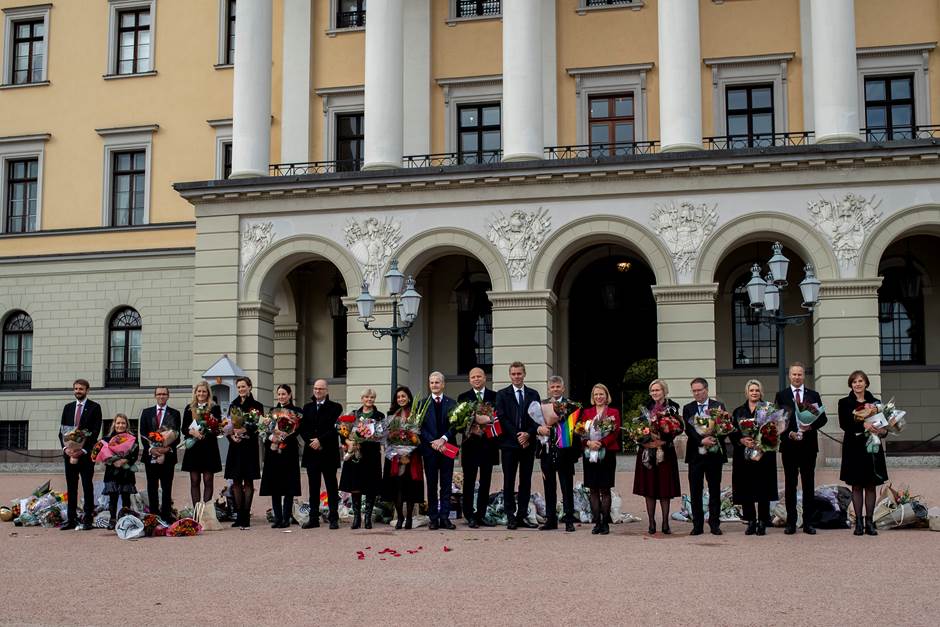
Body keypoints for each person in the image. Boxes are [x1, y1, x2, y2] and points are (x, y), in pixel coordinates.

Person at [775, 362, 828, 535]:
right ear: (789, 376)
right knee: (790, 485)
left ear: (804, 376)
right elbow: (778, 422)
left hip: (808, 446)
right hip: (790, 446)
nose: (797, 377)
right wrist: (788, 434)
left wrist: (810, 427)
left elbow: (822, 419)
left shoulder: (813, 395)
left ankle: (808, 523)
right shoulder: (782, 395)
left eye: (800, 374)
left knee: (808, 485)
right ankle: (791, 522)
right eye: (794, 374)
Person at [838, 370, 887, 536]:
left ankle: (869, 522)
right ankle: (858, 522)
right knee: (857, 485)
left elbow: (884, 426)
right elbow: (844, 424)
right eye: (854, 382)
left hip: (872, 448)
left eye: (860, 381)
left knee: (871, 485)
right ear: (851, 385)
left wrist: (883, 430)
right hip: (854, 448)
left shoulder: (876, 403)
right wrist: (863, 426)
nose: (857, 384)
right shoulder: (844, 403)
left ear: (866, 383)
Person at [495, 361, 541, 530]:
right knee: (509, 481)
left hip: (528, 444)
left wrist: (528, 433)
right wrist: (517, 435)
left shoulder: (533, 394)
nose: (516, 376)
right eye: (513, 374)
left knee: (525, 481)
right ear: (510, 375)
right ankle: (510, 515)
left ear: (524, 374)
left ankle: (522, 515)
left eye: (519, 373)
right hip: (509, 444)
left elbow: (537, 418)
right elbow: (502, 418)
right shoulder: (502, 394)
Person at [633, 378, 681, 535]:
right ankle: (652, 522)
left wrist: (662, 440)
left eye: (657, 390)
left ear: (664, 391)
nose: (654, 393)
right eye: (652, 390)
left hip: (665, 451)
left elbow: (678, 428)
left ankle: (666, 522)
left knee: (665, 488)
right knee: (649, 488)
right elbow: (637, 429)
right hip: (647, 451)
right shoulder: (644, 408)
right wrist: (644, 441)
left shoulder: (673, 407)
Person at [730, 380, 778, 536]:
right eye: (751, 390)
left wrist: (762, 441)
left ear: (761, 392)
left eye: (757, 390)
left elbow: (775, 430)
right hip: (744, 457)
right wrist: (742, 440)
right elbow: (732, 432)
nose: (754, 393)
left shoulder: (769, 409)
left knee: (763, 488)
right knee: (746, 488)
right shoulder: (738, 412)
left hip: (764, 456)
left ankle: (763, 521)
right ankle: (751, 521)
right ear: (747, 392)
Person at [682, 377, 728, 536]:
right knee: (695, 491)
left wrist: (713, 439)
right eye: (694, 391)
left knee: (714, 490)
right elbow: (689, 430)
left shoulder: (718, 406)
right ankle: (697, 525)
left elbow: (724, 427)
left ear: (706, 390)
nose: (696, 393)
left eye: (699, 390)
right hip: (695, 455)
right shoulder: (688, 408)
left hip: (714, 455)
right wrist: (702, 440)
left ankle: (715, 524)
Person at [456, 367, 498, 529]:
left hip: (488, 445)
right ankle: (469, 514)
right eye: (473, 377)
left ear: (484, 378)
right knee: (469, 482)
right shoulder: (463, 398)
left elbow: (498, 418)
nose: (476, 379)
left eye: (479, 376)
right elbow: (457, 423)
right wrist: (469, 427)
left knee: (486, 481)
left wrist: (487, 421)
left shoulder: (494, 397)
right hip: (470, 445)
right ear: (469, 379)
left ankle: (481, 514)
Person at [536, 375, 579, 532]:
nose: (555, 389)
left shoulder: (571, 406)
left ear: (563, 388)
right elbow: (536, 424)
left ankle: (569, 519)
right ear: (549, 388)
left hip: (565, 451)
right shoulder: (542, 405)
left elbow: (576, 429)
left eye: (558, 387)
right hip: (547, 450)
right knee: (549, 486)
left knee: (566, 486)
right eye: (552, 387)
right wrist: (539, 429)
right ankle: (551, 520)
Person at [339, 388, 385, 530]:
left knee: (370, 487)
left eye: (372, 397)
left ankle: (368, 518)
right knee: (355, 487)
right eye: (366, 397)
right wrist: (349, 442)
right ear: (362, 399)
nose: (369, 399)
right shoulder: (353, 415)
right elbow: (343, 433)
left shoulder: (379, 416)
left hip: (371, 455)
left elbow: (382, 435)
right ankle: (357, 518)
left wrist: (374, 435)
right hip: (355, 455)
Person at [59, 379, 102, 530]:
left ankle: (88, 519)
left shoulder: (94, 408)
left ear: (87, 390)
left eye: (81, 389)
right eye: (76, 389)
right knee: (71, 487)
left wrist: (82, 450)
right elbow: (62, 431)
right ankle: (71, 519)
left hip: (85, 455)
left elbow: (95, 432)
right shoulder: (68, 408)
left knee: (87, 486)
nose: (78, 391)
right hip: (69, 454)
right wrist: (67, 449)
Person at [300, 379, 343, 529]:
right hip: (311, 452)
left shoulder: (335, 407)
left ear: (327, 391)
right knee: (313, 486)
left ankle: (333, 517)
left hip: (328, 452)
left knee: (331, 485)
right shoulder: (307, 407)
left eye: (321, 389)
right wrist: (311, 441)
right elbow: (302, 428)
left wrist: (320, 441)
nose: (318, 391)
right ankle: (313, 518)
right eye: (316, 388)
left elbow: (335, 428)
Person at [579, 383, 621, 535]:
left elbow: (615, 432)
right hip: (590, 454)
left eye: (601, 394)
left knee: (605, 488)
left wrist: (601, 443)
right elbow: (580, 430)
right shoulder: (587, 412)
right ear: (593, 397)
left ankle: (605, 522)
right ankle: (596, 522)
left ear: (606, 395)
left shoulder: (613, 412)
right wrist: (588, 442)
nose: (598, 397)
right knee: (593, 489)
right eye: (596, 394)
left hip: (607, 453)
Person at [259, 384, 303, 529]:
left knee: (289, 485)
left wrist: (285, 436)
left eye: (284, 394)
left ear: (290, 395)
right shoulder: (272, 411)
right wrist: (273, 437)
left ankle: (286, 518)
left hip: (289, 451)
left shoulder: (297, 412)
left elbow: (297, 431)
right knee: (275, 485)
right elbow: (265, 430)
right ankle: (277, 518)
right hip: (274, 452)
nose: (281, 396)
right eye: (279, 394)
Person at [382, 386, 424, 529]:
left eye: (403, 396)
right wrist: (396, 450)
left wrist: (409, 451)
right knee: (397, 488)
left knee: (410, 487)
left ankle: (410, 519)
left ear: (409, 398)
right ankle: (400, 517)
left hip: (412, 457)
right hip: (395, 457)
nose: (401, 399)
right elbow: (387, 436)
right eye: (398, 397)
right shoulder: (392, 415)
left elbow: (418, 436)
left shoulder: (416, 414)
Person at [420, 372, 458, 530]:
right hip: (430, 450)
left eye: (437, 382)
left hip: (447, 448)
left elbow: (456, 426)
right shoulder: (422, 404)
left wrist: (443, 439)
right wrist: (433, 441)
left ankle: (445, 518)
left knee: (446, 484)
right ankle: (433, 518)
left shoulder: (452, 403)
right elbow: (420, 427)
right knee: (432, 484)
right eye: (431, 382)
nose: (434, 385)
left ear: (443, 384)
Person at [226, 376, 263, 529]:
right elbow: (227, 425)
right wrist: (232, 435)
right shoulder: (233, 404)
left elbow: (259, 427)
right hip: (235, 447)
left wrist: (246, 430)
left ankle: (246, 516)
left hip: (249, 447)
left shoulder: (257, 405)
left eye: (243, 386)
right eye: (239, 387)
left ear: (249, 387)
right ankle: (239, 515)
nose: (241, 389)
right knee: (235, 482)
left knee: (248, 481)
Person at [139, 386, 181, 521]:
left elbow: (176, 435)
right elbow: (143, 434)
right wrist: (152, 449)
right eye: (159, 394)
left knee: (167, 487)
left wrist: (165, 449)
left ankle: (166, 515)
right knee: (152, 487)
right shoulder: (146, 412)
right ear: (155, 396)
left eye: (164, 394)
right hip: (151, 455)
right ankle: (154, 515)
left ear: (168, 396)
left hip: (168, 456)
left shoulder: (174, 413)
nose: (161, 396)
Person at [181, 380, 223, 509]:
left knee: (208, 480)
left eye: (204, 391)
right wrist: (193, 433)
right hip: (194, 449)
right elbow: (183, 429)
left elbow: (218, 428)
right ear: (195, 393)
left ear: (208, 393)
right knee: (194, 480)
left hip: (209, 448)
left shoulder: (214, 408)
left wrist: (207, 431)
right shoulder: (189, 408)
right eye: (199, 391)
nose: (201, 393)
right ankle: (197, 511)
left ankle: (207, 511)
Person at [100, 413, 139, 530]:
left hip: (126, 472)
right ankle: (112, 519)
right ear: (114, 424)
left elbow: (135, 454)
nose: (120, 425)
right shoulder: (106, 439)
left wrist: (124, 460)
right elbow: (103, 455)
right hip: (112, 472)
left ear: (126, 424)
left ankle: (125, 519)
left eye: (123, 423)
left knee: (126, 497)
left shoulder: (132, 438)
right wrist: (113, 461)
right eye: (118, 423)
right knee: (113, 497)